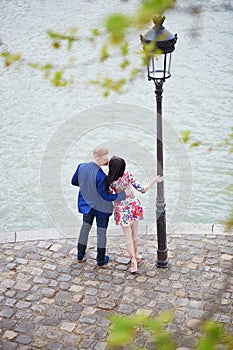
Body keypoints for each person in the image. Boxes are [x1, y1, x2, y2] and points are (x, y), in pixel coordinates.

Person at [105, 156, 164, 273]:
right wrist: (154, 180)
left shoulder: (109, 181)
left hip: (121, 209)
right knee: (135, 233)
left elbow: (110, 196)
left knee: (127, 235)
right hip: (133, 206)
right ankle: (136, 254)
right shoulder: (127, 175)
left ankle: (133, 259)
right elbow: (142, 189)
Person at [71, 147, 127, 268]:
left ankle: (80, 255)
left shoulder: (81, 167)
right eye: (106, 159)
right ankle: (101, 260)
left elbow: (74, 181)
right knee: (101, 232)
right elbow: (105, 196)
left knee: (85, 228)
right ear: (102, 159)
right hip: (101, 208)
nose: (108, 162)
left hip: (86, 205)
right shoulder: (101, 176)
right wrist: (121, 195)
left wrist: (87, 186)